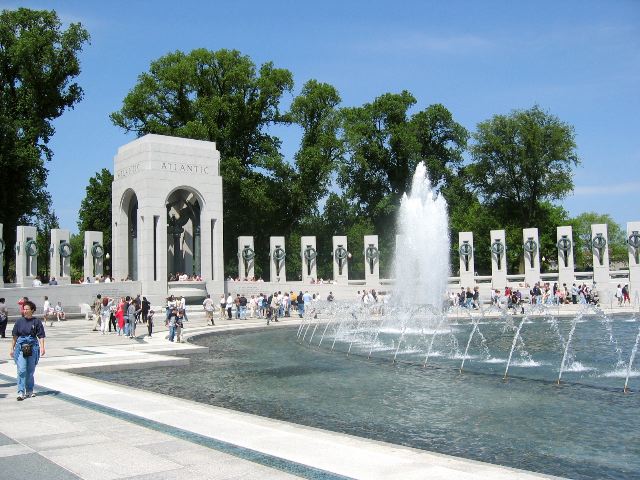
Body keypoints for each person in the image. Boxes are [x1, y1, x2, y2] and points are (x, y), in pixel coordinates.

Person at [10, 300, 45, 400]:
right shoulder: (19, 321)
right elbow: (15, 336)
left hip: (33, 347)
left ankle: (29, 390)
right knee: (21, 370)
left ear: (32, 310)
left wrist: (42, 347)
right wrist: (11, 349)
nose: (24, 311)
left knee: (30, 370)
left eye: (27, 309)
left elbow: (41, 336)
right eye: (24, 309)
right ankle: (20, 392)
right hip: (21, 347)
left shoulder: (36, 321)